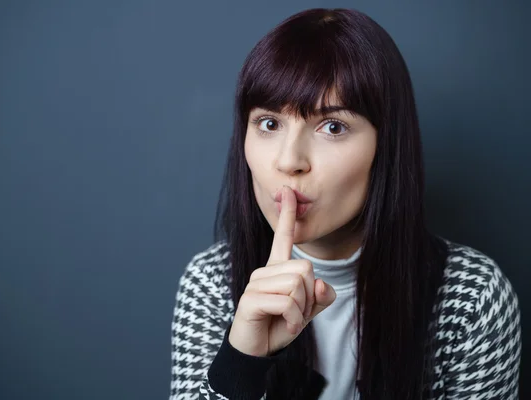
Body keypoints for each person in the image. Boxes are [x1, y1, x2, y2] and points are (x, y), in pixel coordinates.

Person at [169, 8, 521, 400]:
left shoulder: (471, 297)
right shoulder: (213, 282)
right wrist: (242, 361)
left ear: (384, 146)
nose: (289, 161)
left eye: (332, 127)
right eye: (269, 123)